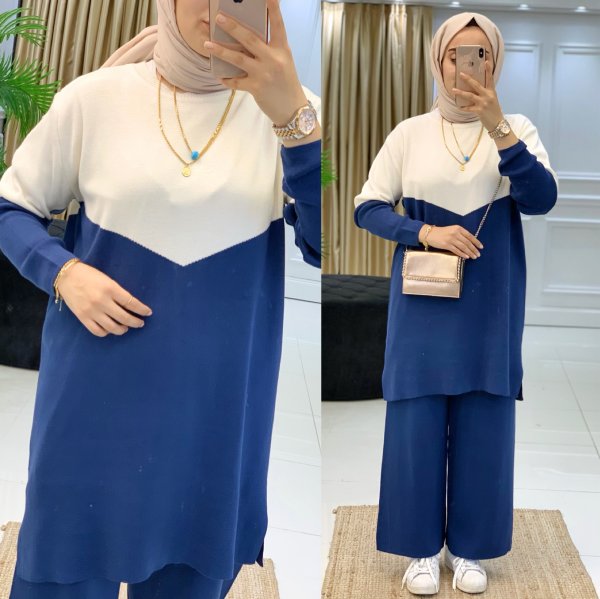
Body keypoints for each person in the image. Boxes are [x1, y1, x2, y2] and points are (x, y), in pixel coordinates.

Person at [0, 0, 321, 597]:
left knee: (190, 566)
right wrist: (63, 271)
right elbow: (10, 206)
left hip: (214, 410)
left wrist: (294, 126)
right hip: (92, 397)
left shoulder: (295, 116)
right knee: (66, 563)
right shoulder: (94, 98)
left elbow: (325, 244)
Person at [353, 12, 557, 596]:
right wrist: (425, 231)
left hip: (491, 306)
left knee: (485, 421)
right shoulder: (410, 133)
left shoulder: (517, 128)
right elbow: (368, 206)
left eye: (481, 54)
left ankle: (470, 548)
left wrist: (499, 128)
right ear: (438, 62)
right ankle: (420, 548)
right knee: (415, 422)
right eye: (456, 55)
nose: (469, 65)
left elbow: (541, 199)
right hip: (422, 303)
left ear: (496, 62)